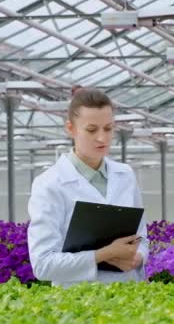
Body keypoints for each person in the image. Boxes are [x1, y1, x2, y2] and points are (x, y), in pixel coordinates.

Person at [27, 88, 148, 288]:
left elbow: (142, 236)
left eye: (108, 129)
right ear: (71, 129)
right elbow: (42, 264)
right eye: (92, 130)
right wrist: (104, 254)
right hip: (78, 306)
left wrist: (138, 257)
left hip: (129, 298)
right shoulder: (49, 184)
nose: (102, 138)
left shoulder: (125, 175)